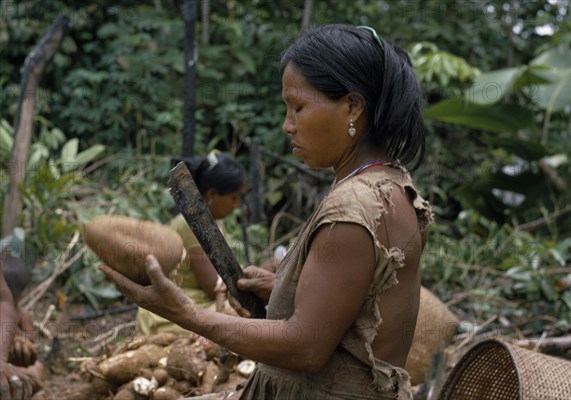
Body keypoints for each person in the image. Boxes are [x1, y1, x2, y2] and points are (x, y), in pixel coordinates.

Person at [101, 24, 432, 399]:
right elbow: (360, 311)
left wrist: (185, 314)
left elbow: (306, 347)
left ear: (353, 107)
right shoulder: (392, 187)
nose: (287, 125)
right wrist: (282, 291)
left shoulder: (353, 209)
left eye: (298, 107)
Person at [136, 151, 248, 335]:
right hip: (175, 305)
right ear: (212, 194)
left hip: (199, 300)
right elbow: (214, 287)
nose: (236, 205)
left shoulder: (215, 222)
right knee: (241, 320)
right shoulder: (191, 225)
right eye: (233, 198)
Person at [0, 256, 44, 399]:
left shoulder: (22, 314)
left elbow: (30, 338)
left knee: (37, 370)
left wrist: (19, 341)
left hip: (11, 363)